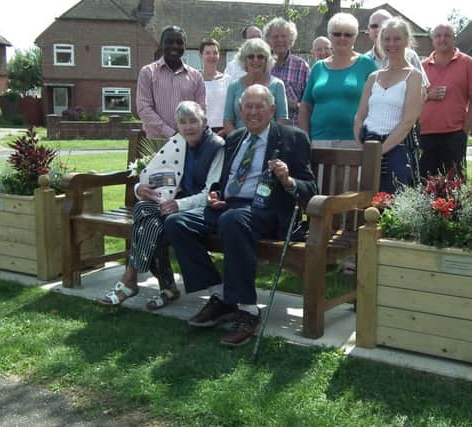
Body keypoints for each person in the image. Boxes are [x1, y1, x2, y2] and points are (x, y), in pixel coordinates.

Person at [164, 84, 317, 347]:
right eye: (248, 106)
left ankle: (248, 310)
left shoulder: (292, 138)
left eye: (260, 106)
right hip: (227, 208)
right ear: (240, 110)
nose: (253, 112)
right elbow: (222, 182)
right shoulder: (234, 139)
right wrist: (215, 195)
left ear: (272, 109)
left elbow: (310, 188)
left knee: (232, 221)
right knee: (176, 223)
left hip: (264, 212)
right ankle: (221, 296)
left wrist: (288, 179)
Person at [100, 101, 224, 308]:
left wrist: (179, 204)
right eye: (183, 123)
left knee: (152, 221)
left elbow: (210, 193)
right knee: (144, 211)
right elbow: (157, 175)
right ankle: (164, 286)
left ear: (204, 122)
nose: (189, 127)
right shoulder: (177, 144)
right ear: (177, 126)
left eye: (193, 121)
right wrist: (139, 188)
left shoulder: (216, 147)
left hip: (197, 210)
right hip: (170, 205)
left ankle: (132, 278)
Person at [354, 18, 423, 193]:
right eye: (387, 39)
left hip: (397, 150)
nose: (391, 44)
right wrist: (363, 147)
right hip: (368, 146)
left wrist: (381, 151)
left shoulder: (414, 76)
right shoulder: (373, 77)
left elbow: (408, 121)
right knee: (362, 205)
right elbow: (360, 116)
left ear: (406, 41)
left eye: (397, 39)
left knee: (391, 208)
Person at [299, 13, 377, 141]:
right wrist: (304, 139)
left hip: (356, 143)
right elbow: (305, 107)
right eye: (337, 34)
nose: (342, 38)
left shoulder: (367, 64)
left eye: (348, 34)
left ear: (355, 37)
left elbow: (378, 103)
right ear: (330, 35)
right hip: (318, 142)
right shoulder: (318, 67)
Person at [419, 23, 472, 177]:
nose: (442, 39)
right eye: (438, 36)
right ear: (432, 40)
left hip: (454, 135)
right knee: (424, 185)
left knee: (454, 186)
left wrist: (464, 131)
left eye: (447, 35)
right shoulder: (421, 67)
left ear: (455, 39)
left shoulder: (468, 63)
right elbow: (411, 100)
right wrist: (428, 95)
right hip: (425, 134)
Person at [136, 26, 205, 139]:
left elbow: (201, 109)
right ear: (161, 44)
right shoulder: (148, 73)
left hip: (188, 141)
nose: (174, 46)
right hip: (157, 141)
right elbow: (144, 109)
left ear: (185, 46)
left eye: (179, 42)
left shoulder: (196, 76)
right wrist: (170, 133)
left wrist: (186, 132)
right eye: (169, 42)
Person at [222, 38, 288, 135]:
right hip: (240, 141)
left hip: (269, 141)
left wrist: (267, 140)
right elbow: (227, 120)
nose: (256, 60)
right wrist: (237, 140)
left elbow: (282, 119)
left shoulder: (277, 85)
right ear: (244, 60)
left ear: (266, 60)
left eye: (260, 57)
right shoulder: (233, 86)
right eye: (251, 56)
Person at [364, 9, 429, 89]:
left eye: (385, 24)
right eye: (374, 26)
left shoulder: (410, 56)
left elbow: (423, 92)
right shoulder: (364, 60)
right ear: (368, 29)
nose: (379, 29)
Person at [263, 17, 310, 126]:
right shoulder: (261, 65)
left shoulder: (302, 67)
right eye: (275, 36)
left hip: (293, 130)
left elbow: (309, 105)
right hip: (265, 131)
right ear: (268, 40)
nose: (280, 40)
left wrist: (293, 105)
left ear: (291, 39)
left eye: (283, 36)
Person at [200, 38, 230, 134]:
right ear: (201, 55)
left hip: (224, 131)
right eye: (208, 53)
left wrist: (225, 130)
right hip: (201, 131)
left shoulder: (228, 80)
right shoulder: (194, 79)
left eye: (215, 53)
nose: (212, 56)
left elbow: (232, 109)